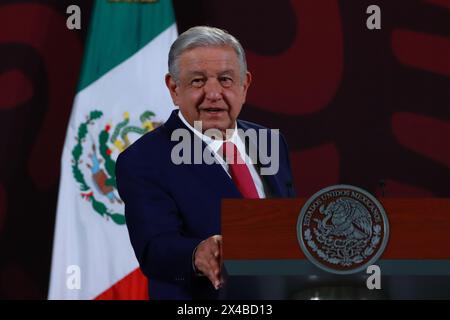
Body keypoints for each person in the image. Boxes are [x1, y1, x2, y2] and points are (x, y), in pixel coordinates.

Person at [115, 26, 295, 299]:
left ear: (244, 85)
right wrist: (197, 253)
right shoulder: (143, 159)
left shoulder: (271, 142)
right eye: (198, 81)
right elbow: (155, 248)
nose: (213, 93)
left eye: (225, 80)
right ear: (174, 88)